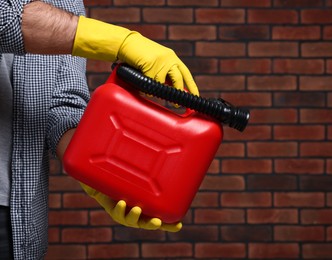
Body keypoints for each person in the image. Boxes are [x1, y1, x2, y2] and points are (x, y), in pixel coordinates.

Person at [0, 0, 199, 259]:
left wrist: (103, 176)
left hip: (17, 223)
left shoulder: (65, 2)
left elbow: (61, 107)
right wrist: (118, 42)